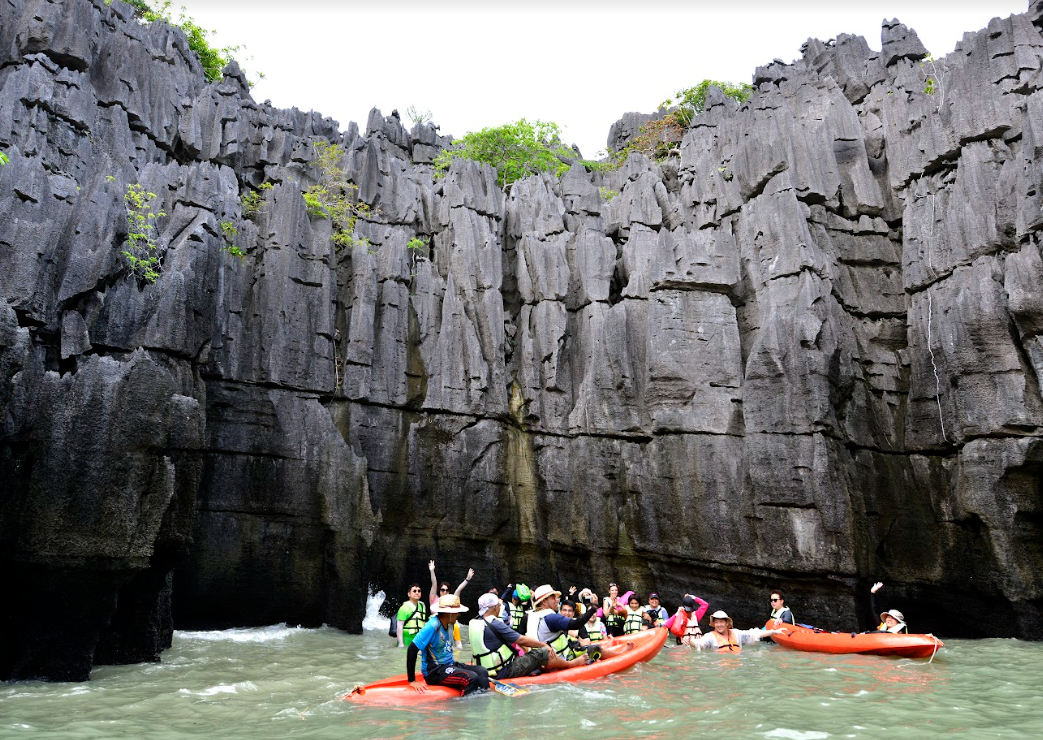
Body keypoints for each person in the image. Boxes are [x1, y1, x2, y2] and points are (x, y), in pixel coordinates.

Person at [469, 594, 588, 680]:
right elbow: (520, 639)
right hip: (502, 672)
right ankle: (571, 664)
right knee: (542, 652)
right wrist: (543, 645)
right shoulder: (495, 623)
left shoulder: (474, 622)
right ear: (495, 607)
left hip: (483, 670)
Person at [528, 584, 634, 661]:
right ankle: (620, 654)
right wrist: (593, 609)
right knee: (595, 648)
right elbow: (576, 625)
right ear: (543, 601)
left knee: (577, 644)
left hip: (545, 659)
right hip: (561, 659)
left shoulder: (532, 615)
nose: (556, 600)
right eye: (553, 597)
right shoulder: (551, 617)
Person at [407, 594, 488, 695]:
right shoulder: (432, 626)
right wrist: (412, 680)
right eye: (456, 612)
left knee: (482, 671)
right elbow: (412, 649)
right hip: (435, 671)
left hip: (449, 665)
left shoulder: (451, 625)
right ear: (448, 613)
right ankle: (465, 707)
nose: (458, 614)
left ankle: (482, 702)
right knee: (471, 678)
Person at [428, 561, 474, 649]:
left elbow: (458, 590)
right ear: (439, 590)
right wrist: (432, 571)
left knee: (454, 644)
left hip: (451, 625)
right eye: (442, 590)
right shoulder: (434, 599)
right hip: (436, 626)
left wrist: (467, 579)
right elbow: (434, 584)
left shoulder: (452, 600)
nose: (445, 592)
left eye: (447, 590)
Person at [692, 610, 781, 652]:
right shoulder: (710, 636)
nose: (719, 625)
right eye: (716, 622)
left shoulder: (736, 633)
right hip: (719, 668)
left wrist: (773, 632)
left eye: (721, 622)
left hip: (736, 666)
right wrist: (691, 641)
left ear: (727, 623)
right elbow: (699, 643)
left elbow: (754, 634)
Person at [396, 583, 429, 648]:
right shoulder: (404, 608)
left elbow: (423, 622)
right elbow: (399, 627)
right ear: (409, 594)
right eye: (414, 591)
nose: (417, 593)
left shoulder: (422, 606)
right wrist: (401, 643)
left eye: (419, 591)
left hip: (419, 638)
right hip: (407, 639)